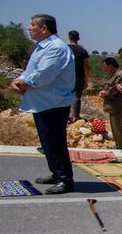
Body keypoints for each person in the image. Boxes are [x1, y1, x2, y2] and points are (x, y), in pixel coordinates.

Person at [9, 14, 76, 194]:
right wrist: (20, 79)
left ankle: (65, 179)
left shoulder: (56, 48)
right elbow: (31, 71)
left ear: (44, 28)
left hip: (54, 102)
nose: (29, 28)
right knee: (47, 142)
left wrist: (23, 84)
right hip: (43, 102)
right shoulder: (42, 47)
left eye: (32, 25)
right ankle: (56, 172)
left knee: (55, 141)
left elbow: (44, 75)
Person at [97, 57, 122, 150]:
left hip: (117, 105)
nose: (104, 70)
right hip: (112, 105)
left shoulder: (120, 75)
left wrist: (106, 93)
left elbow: (116, 90)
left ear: (110, 66)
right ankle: (118, 144)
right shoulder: (114, 75)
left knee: (118, 126)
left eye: (105, 67)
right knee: (114, 126)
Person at [67, 30, 90, 122]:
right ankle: (76, 116)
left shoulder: (65, 49)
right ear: (78, 38)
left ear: (69, 37)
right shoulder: (82, 51)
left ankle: (66, 116)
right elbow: (86, 66)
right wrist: (87, 79)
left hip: (66, 77)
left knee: (66, 96)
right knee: (77, 97)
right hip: (79, 77)